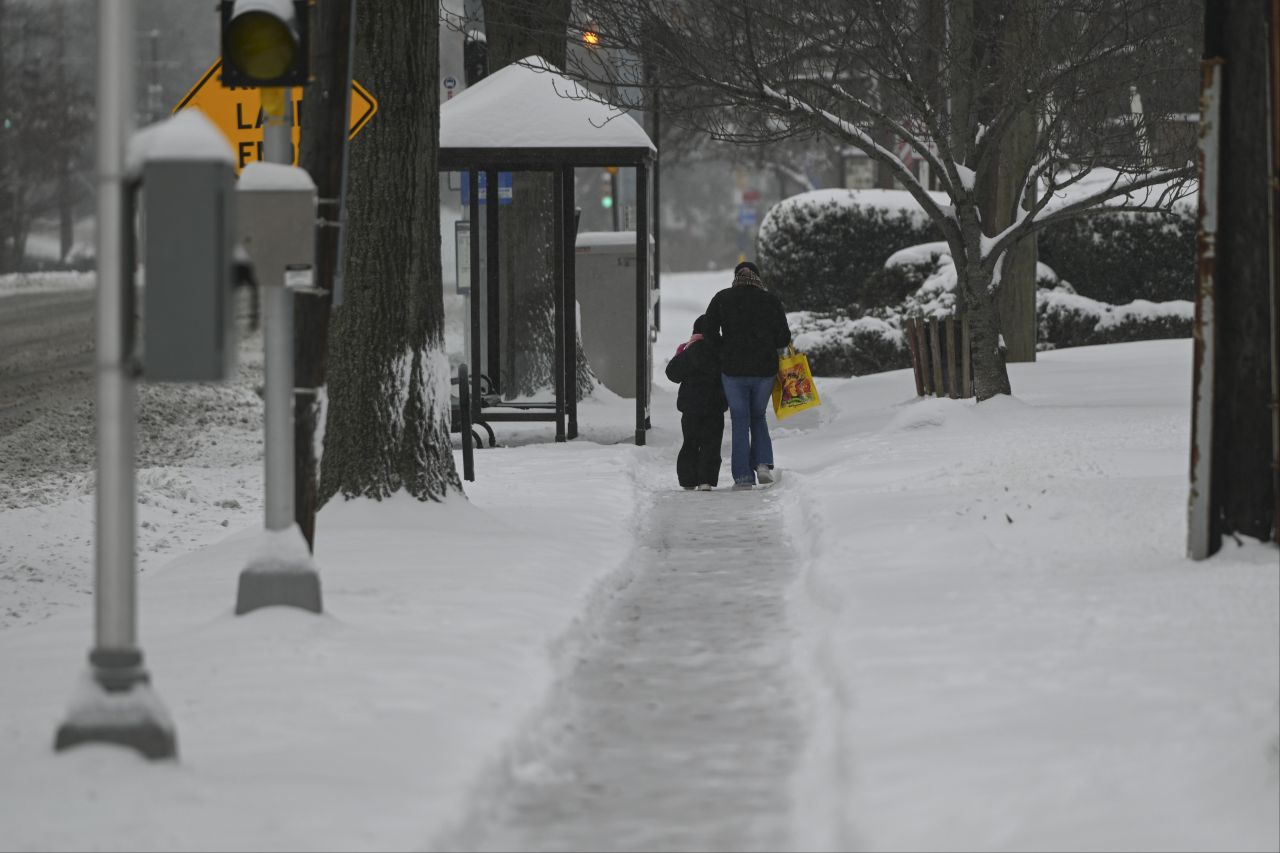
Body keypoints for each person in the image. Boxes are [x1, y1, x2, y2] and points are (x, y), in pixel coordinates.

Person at [702, 260, 792, 489]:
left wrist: (724, 350)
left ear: (735, 278)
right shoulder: (770, 300)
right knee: (758, 416)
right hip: (764, 370)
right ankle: (763, 464)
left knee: (740, 420)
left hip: (733, 370)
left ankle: (742, 477)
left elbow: (708, 332)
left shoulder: (722, 298)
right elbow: (783, 337)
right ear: (758, 278)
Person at [664, 315, 727, 490]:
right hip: (714, 405)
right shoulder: (720, 351)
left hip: (691, 407)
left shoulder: (689, 350)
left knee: (690, 442)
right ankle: (706, 480)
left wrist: (682, 355)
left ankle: (688, 480)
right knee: (711, 443)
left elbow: (672, 374)